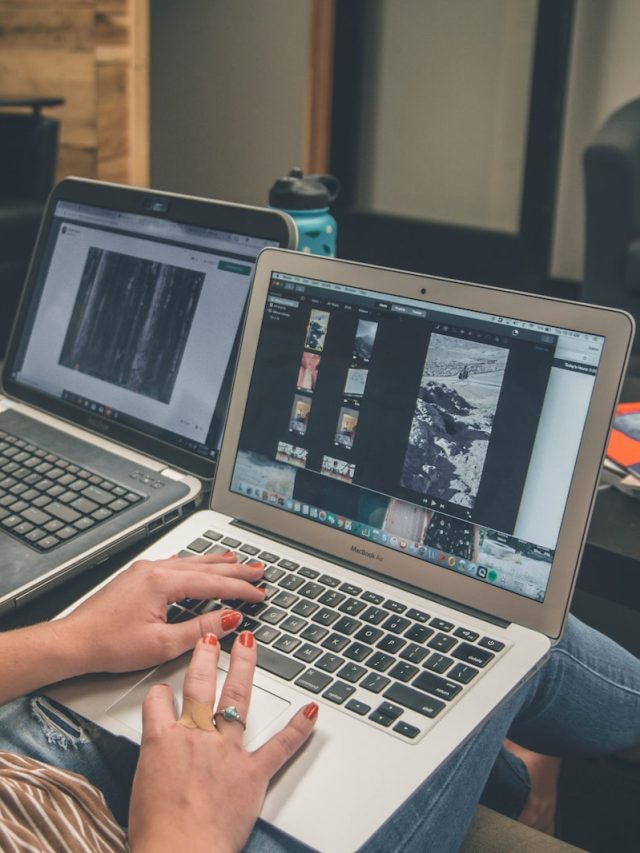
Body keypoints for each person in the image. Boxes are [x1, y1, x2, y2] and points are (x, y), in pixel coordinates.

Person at [0, 551, 637, 852]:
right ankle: (521, 759)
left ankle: (509, 762)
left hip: (26, 749)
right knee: (523, 638)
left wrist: (69, 641)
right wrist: (184, 829)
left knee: (497, 635)